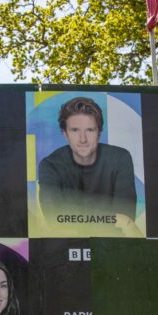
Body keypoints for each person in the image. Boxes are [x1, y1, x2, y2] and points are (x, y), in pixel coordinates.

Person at [37, 96, 137, 233]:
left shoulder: (120, 158)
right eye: (75, 130)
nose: (83, 139)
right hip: (66, 245)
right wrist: (109, 218)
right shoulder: (50, 165)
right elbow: (54, 219)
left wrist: (73, 217)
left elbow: (126, 219)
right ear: (65, 133)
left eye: (90, 130)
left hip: (111, 245)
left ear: (99, 133)